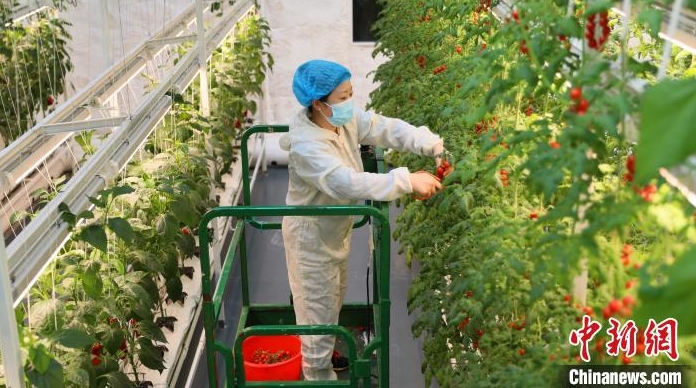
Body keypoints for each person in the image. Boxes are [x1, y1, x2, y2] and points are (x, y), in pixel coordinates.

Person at [280, 59, 449, 380]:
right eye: (343, 98)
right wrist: (406, 180)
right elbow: (345, 181)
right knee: (316, 312)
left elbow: (383, 126)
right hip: (310, 240)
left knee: (333, 299)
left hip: (332, 229)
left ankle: (327, 350)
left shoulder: (340, 120)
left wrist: (427, 142)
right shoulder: (307, 146)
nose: (350, 103)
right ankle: (318, 375)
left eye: (350, 94)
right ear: (318, 104)